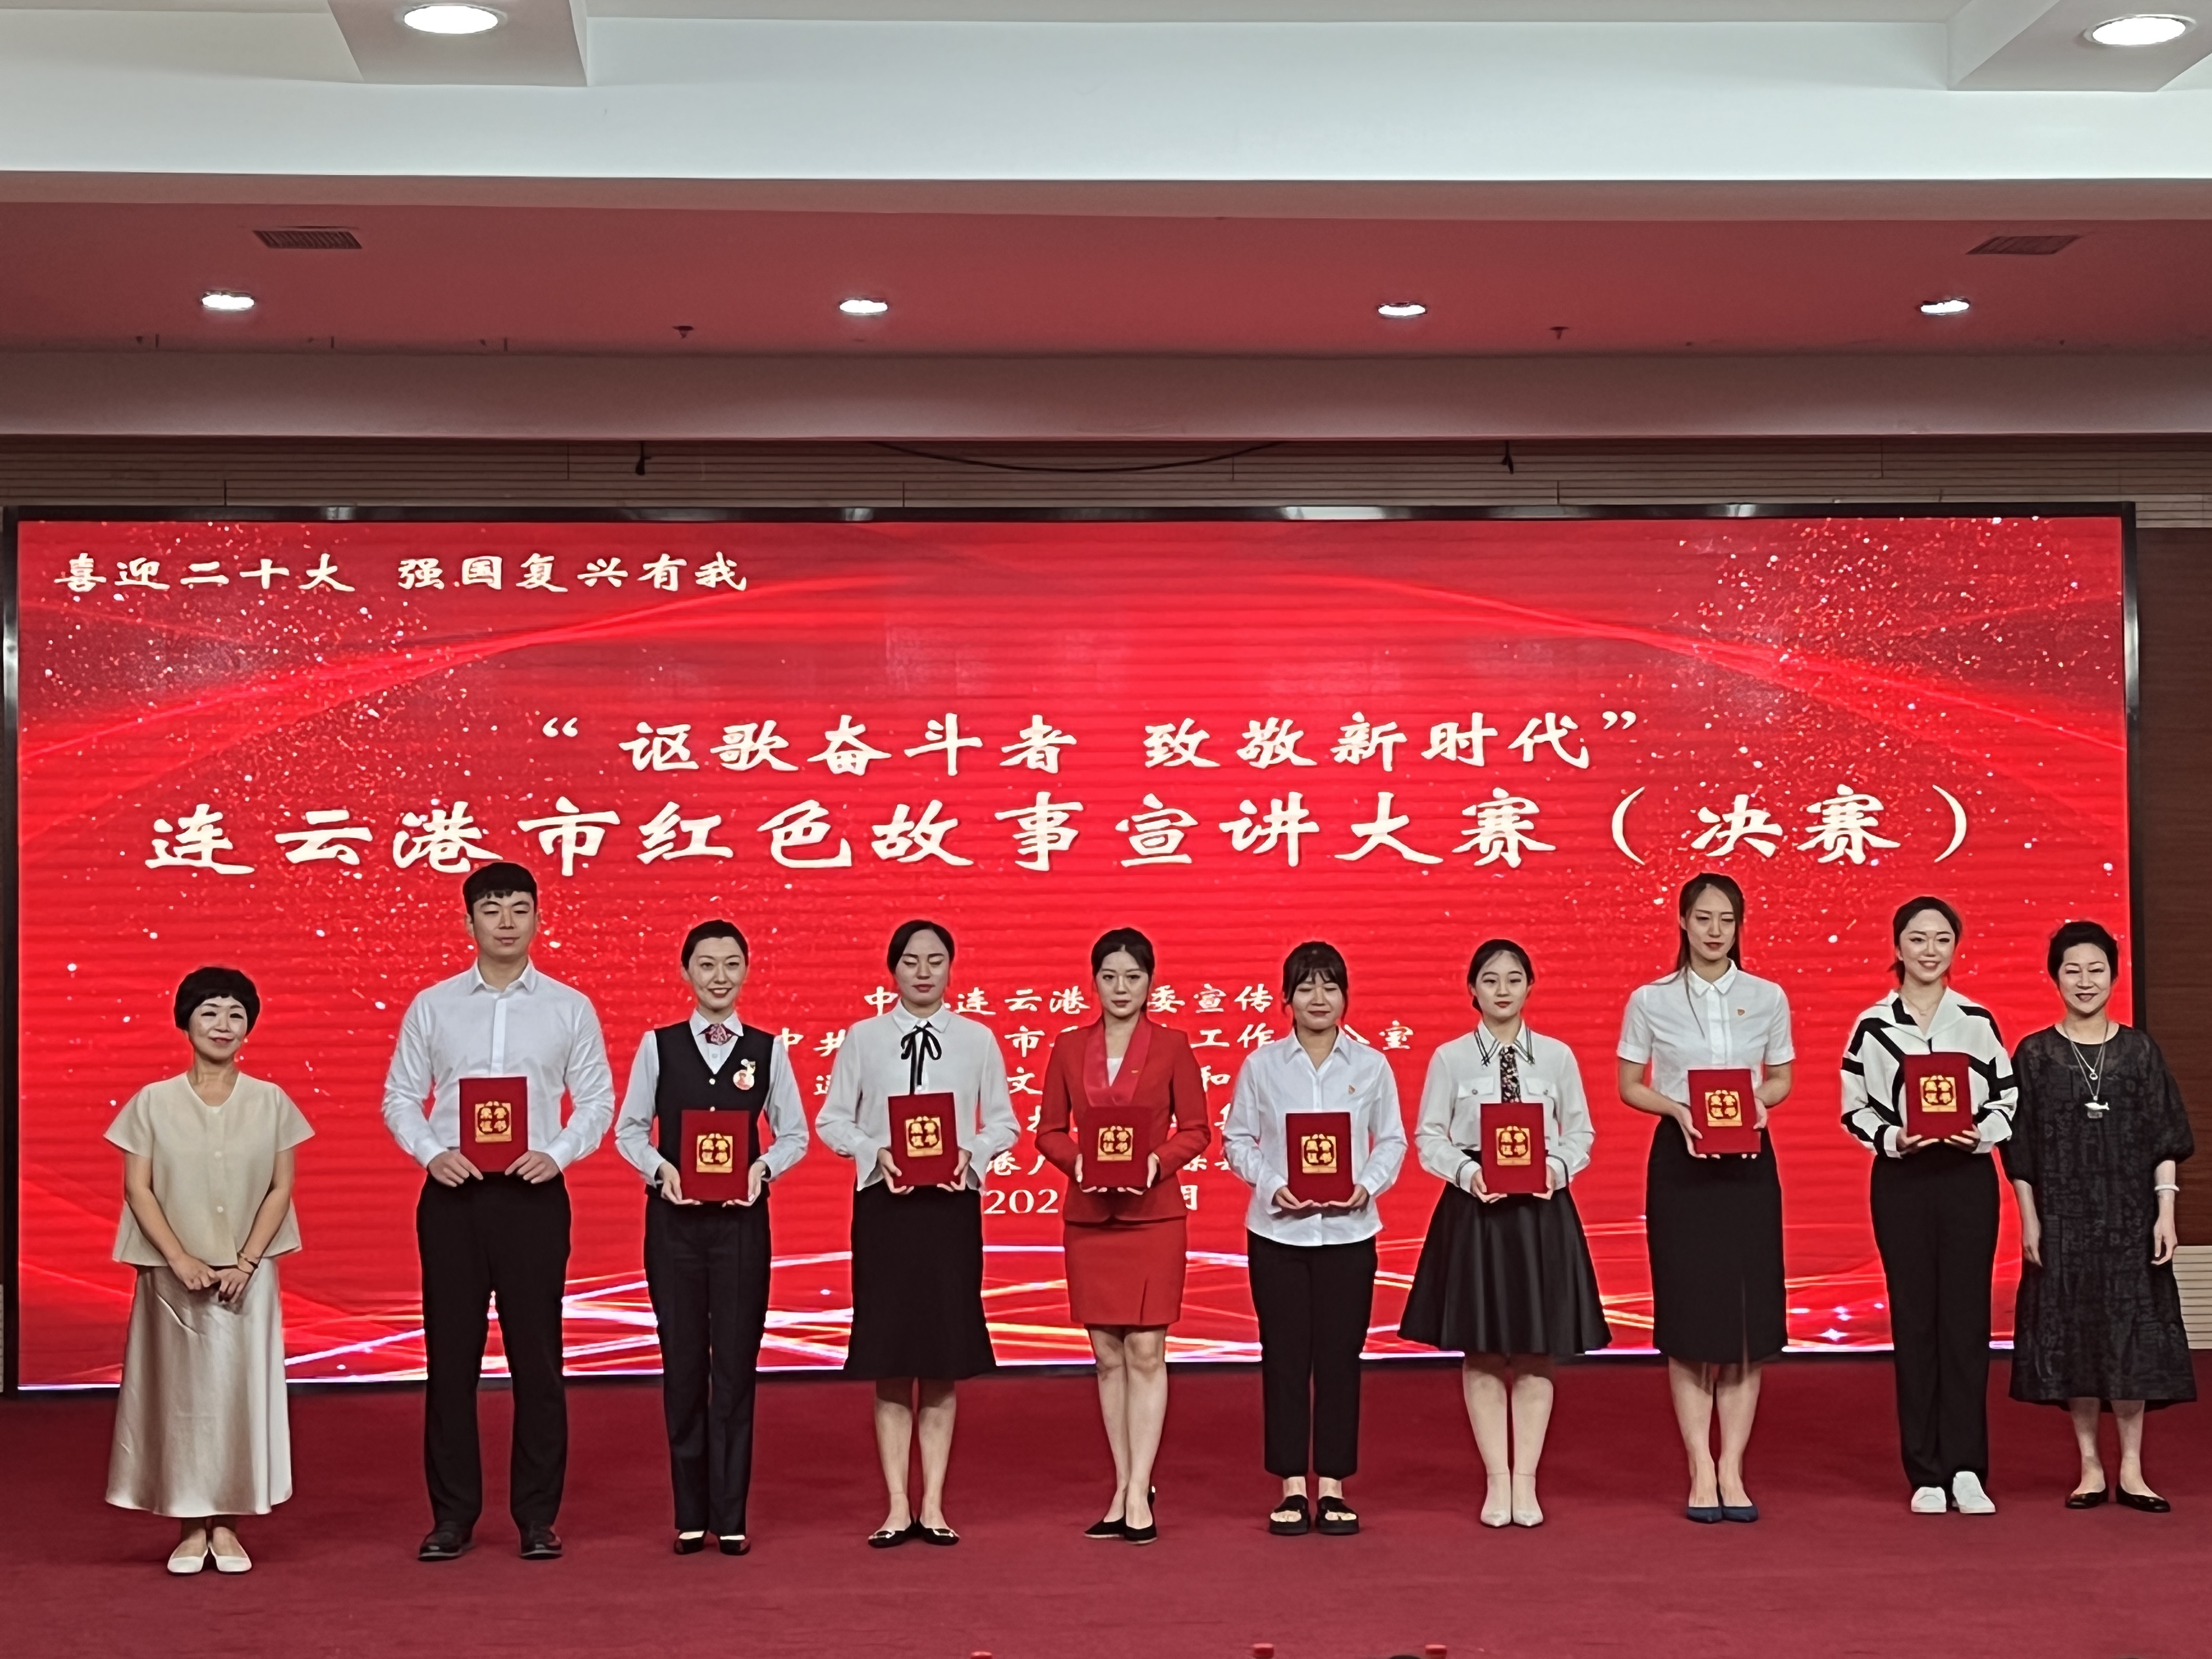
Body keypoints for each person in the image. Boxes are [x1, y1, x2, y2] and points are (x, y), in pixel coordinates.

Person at [381, 861, 617, 1564]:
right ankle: (452, 1516)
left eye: (519, 908)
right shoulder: (433, 1005)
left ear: (539, 917)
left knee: (537, 1360)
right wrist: (432, 1153)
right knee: (450, 1360)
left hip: (533, 1196)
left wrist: (559, 1153)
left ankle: (537, 1517)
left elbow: (597, 1099)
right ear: (469, 922)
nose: (506, 921)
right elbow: (401, 1096)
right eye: (492, 909)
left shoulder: (569, 1007)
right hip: (453, 1197)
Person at [816, 919, 1018, 1547]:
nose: (924, 972)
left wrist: (971, 1153)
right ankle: (896, 1506)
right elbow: (832, 1120)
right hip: (886, 1211)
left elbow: (1006, 1123)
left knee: (940, 1359)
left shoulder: (978, 1039)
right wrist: (873, 1152)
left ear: (952, 968)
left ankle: (933, 1505)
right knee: (890, 1358)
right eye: (911, 961)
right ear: (893, 969)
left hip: (950, 1211)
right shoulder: (864, 1038)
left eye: (935, 960)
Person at [613, 919, 811, 1556]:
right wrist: (660, 1170)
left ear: (746, 971)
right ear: (686, 972)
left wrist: (762, 1169)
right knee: (681, 1367)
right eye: (706, 965)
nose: (719, 977)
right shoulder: (659, 1046)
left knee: (734, 1367)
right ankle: (689, 1516)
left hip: (740, 1227)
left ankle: (731, 1516)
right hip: (674, 1227)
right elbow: (629, 1131)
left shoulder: (768, 1050)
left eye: (731, 964)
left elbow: (795, 1134)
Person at [106, 967, 312, 1575]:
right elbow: (138, 1190)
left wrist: (247, 1261)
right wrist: (180, 1258)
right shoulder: (153, 1102)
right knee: (179, 1400)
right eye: (210, 1012)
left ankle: (228, 1525)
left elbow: (280, 1189)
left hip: (248, 1276)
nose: (223, 1025)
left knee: (239, 1396)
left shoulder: (271, 1101)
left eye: (236, 1014)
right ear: (186, 1021)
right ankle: (189, 1525)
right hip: (171, 1275)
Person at [1401, 939, 1610, 1529]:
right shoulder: (1450, 1059)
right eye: (1490, 980)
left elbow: (1581, 1132)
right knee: (1484, 1347)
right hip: (1478, 1211)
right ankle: (1497, 1480)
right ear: (1472, 988)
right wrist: (1467, 1174)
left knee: (1538, 1348)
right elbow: (1430, 1136)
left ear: (1529, 987)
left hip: (1541, 1211)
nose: (1502, 990)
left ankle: (1527, 1483)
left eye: (1514, 979)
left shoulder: (1557, 1057)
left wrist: (1555, 1171)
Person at [1616, 872, 1794, 1523]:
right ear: (1683, 922)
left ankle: (1733, 1467)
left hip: (1748, 1165)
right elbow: (1630, 1084)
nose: (1715, 931)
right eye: (1703, 918)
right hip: (1682, 1163)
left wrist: (1759, 1103)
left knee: (1746, 1321)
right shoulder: (1651, 999)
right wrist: (1679, 1110)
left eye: (1727, 920)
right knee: (1691, 1318)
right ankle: (1699, 1465)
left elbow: (1780, 1077)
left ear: (1740, 926)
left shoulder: (1767, 996)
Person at [2005, 919, 2195, 1511]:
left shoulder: (2139, 1051)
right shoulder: (2035, 1054)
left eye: (2096, 970)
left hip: (2131, 1219)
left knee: (2131, 1336)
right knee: (2075, 1336)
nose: (2085, 981)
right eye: (2073, 971)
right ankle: (2089, 1466)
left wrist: (2166, 1212)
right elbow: (2020, 1149)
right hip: (2062, 1220)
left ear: (2114, 975)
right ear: (2055, 977)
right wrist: (2029, 1219)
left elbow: (2166, 1138)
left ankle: (2133, 1469)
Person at [1222, 940, 1407, 1539]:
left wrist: (1365, 1186)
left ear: (1346, 996)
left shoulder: (1371, 1065)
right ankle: (1290, 1486)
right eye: (1306, 987)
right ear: (1286, 999)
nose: (1319, 998)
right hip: (1278, 1234)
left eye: (1330, 986)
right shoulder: (1262, 1066)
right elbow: (1237, 1140)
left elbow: (1393, 1141)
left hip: (1350, 1234)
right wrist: (1273, 1185)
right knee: (1283, 1357)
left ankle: (1332, 1485)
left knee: (1339, 1358)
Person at [1839, 896, 2016, 1516]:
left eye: (1942, 938)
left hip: (1967, 1178)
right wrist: (1894, 1137)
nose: (1930, 950)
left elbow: (2007, 1098)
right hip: (1903, 1179)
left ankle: (1967, 1468)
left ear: (1955, 947)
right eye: (1918, 939)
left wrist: (1981, 1133)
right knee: (1914, 1321)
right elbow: (1854, 1108)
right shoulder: (1872, 1025)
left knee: (1965, 1321)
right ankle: (1925, 1472)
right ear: (1898, 947)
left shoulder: (1977, 1020)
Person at [1035, 927, 1211, 1545]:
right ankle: (1121, 1485)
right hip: (1091, 1218)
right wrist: (1076, 1161)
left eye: (1132, 977)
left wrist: (1156, 1162)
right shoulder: (1067, 1046)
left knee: (1146, 1352)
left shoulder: (1173, 1045)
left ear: (1150, 982)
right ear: (1094, 982)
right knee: (1108, 1356)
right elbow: (1048, 1131)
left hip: (1153, 1217)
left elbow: (1197, 1129)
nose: (1120, 988)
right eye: (1109, 977)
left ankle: (1141, 1489)